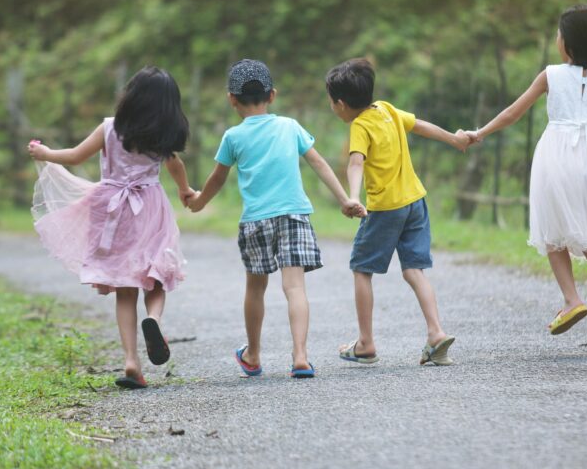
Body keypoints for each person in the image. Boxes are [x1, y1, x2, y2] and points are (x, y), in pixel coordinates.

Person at [463, 4, 587, 358]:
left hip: (558, 157)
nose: (557, 40)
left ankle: (571, 300)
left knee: (553, 233)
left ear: (570, 44)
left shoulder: (550, 75)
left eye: (560, 35)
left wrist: (480, 132)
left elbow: (513, 112)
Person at [187, 59, 365, 379]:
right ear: (272, 95)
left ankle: (253, 355)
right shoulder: (290, 126)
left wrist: (199, 202)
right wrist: (345, 199)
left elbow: (216, 179)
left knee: (255, 289)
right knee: (295, 288)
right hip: (294, 215)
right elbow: (319, 163)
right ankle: (300, 356)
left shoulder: (233, 137)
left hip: (255, 221)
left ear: (232, 99)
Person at [28, 66, 198, 389]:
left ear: (130, 98)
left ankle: (131, 361)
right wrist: (184, 190)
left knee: (125, 287)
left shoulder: (110, 128)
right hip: (149, 208)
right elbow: (176, 166)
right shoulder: (162, 136)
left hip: (111, 210)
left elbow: (76, 156)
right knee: (156, 274)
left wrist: (45, 153)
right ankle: (155, 320)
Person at [325, 58, 469, 367]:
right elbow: (420, 126)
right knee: (414, 270)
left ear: (340, 103)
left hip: (386, 208)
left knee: (362, 269)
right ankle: (435, 333)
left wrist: (352, 197)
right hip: (416, 202)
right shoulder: (387, 109)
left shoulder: (360, 125)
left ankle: (365, 343)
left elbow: (355, 162)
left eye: (332, 103)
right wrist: (454, 139)